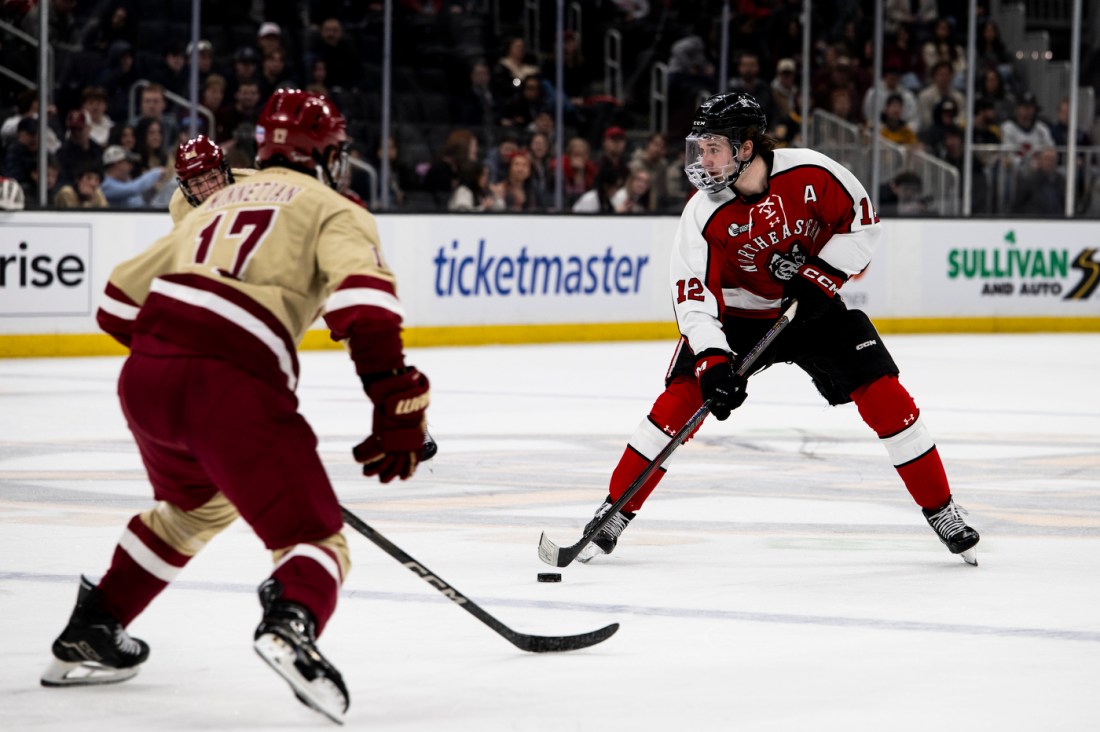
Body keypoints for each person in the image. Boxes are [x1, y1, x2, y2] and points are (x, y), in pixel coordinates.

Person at [39, 90, 432, 724]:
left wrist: (177, 354)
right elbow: (367, 307)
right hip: (229, 389)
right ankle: (291, 620)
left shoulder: (208, 204)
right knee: (314, 538)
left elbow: (114, 303)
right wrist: (397, 405)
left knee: (194, 508)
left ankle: (96, 626)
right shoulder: (336, 208)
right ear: (326, 154)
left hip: (146, 383)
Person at [574, 91, 979, 567]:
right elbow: (693, 296)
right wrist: (712, 358)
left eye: (713, 149)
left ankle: (942, 509)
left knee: (885, 394)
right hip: (738, 320)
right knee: (680, 402)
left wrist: (822, 275)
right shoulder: (702, 213)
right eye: (699, 149)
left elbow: (862, 227)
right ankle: (616, 510)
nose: (702, 160)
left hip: (809, 308)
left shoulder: (811, 172)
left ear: (746, 147)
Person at [168, 135, 254, 223]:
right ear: (188, 189)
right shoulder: (179, 204)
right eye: (197, 184)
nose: (208, 192)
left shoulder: (253, 185)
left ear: (224, 173)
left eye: (213, 178)